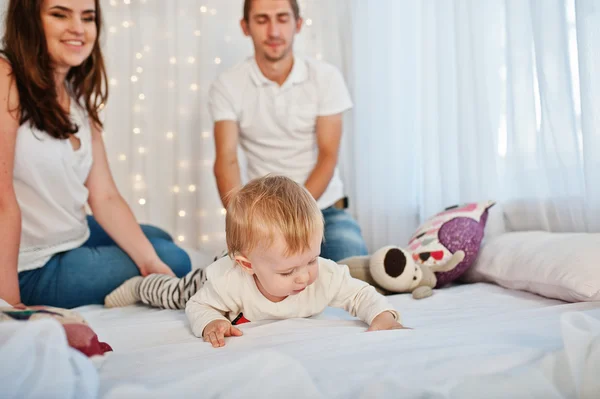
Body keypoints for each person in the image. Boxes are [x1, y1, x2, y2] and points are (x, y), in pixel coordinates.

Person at [0, 0, 190, 309]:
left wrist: (149, 263)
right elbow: (0, 200)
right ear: (29, 20)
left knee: (160, 240)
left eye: (87, 18)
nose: (78, 28)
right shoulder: (4, 75)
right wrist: (8, 306)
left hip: (74, 233)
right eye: (60, 14)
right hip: (31, 266)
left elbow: (105, 197)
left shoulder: (77, 95)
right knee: (175, 258)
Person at [105, 175, 404, 348]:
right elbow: (197, 305)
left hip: (248, 261)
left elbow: (360, 293)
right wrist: (211, 320)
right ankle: (141, 286)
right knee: (175, 293)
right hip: (212, 279)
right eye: (288, 271)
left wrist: (382, 314)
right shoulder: (230, 280)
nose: (304, 277)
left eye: (311, 260)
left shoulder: (321, 275)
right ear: (248, 265)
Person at [209, 0, 368, 262]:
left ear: (297, 24)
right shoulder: (227, 85)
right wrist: (246, 224)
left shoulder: (326, 78)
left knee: (349, 267)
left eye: (282, 18)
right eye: (262, 20)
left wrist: (294, 215)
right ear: (245, 27)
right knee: (236, 280)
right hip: (264, 218)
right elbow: (225, 160)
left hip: (324, 210)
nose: (273, 31)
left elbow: (328, 156)